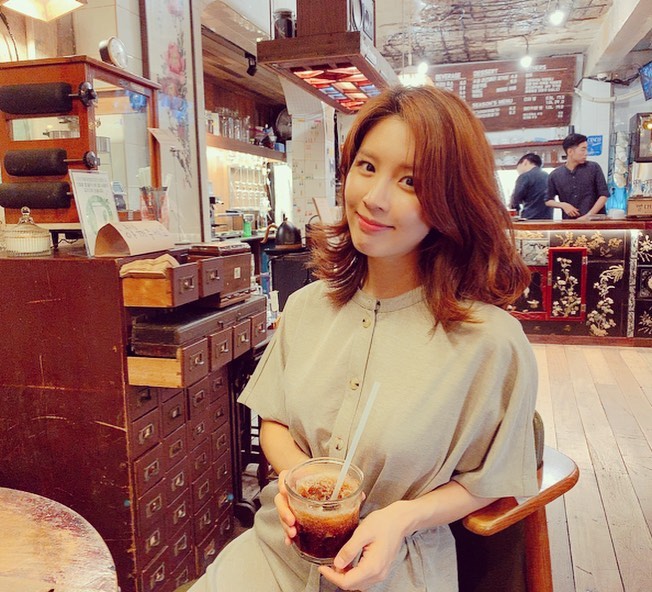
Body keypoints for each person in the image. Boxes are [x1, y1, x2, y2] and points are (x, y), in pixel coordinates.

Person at [189, 86, 539, 592]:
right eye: (367, 167)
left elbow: (490, 481)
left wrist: (403, 517)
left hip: (395, 571)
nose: (374, 198)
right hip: (274, 551)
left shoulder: (491, 344)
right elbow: (275, 422)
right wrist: (300, 481)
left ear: (453, 200)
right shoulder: (307, 307)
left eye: (410, 181)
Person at [545, 132, 609, 219]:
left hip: (594, 222)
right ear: (570, 152)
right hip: (570, 222)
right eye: (583, 150)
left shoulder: (593, 168)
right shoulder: (555, 174)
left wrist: (588, 216)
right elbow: (548, 200)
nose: (586, 153)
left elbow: (604, 195)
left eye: (586, 149)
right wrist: (563, 205)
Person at [510, 152, 552, 219]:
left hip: (530, 218)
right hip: (548, 219)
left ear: (525, 162)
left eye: (518, 167)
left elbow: (516, 199)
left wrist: (515, 211)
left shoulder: (525, 176)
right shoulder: (548, 176)